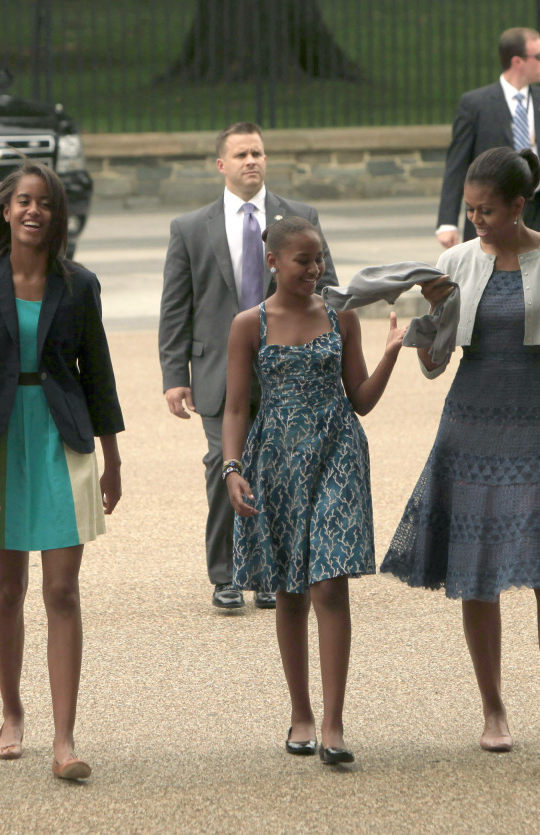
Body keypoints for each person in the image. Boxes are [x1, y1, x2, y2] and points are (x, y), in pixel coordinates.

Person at [383, 147, 540, 764]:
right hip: (471, 423)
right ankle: (493, 709)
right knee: (477, 571)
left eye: (487, 211)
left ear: (520, 206)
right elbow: (435, 366)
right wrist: (424, 323)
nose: (476, 222)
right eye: (470, 210)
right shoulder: (453, 261)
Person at [0, 160, 124, 781]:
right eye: (23, 200)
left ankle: (65, 739)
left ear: (56, 215)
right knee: (8, 586)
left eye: (44, 203)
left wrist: (113, 456)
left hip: (61, 437)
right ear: (6, 208)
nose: (33, 211)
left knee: (62, 589)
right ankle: (12, 711)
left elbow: (97, 371)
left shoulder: (78, 285)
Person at [222, 217, 406, 766]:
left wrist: (392, 351)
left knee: (329, 584)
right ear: (274, 262)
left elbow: (362, 399)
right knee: (291, 590)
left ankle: (333, 722)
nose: (315, 268)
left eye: (319, 258)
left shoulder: (341, 314)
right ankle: (300, 712)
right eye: (304, 260)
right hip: (275, 457)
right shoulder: (248, 325)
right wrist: (232, 468)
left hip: (338, 451)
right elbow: (234, 407)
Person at [159, 122, 338, 611]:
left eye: (257, 152)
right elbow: (176, 307)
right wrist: (175, 376)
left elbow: (327, 291)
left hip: (288, 369)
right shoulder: (191, 228)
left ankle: (270, 571)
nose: (251, 161)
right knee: (225, 462)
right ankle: (226, 572)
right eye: (240, 154)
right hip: (219, 371)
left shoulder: (300, 217)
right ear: (222, 164)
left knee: (279, 468)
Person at [436, 27, 540, 250]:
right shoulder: (475, 105)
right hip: (493, 210)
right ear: (517, 61)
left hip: (539, 210)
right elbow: (457, 165)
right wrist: (447, 222)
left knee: (537, 277)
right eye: (539, 56)